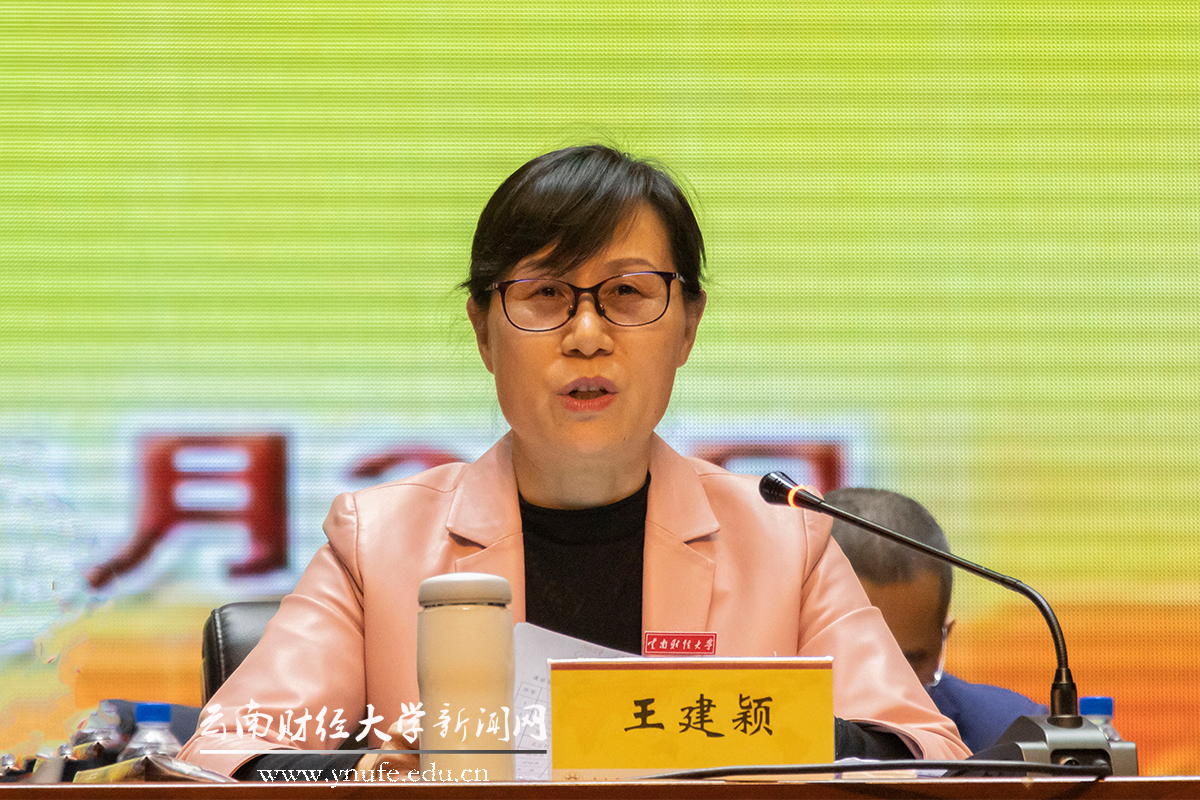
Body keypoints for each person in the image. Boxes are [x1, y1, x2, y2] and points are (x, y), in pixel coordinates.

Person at [178, 145, 969, 780]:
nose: (587, 335)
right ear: (483, 331)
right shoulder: (377, 542)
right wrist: (377, 775)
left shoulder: (784, 542)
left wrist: (745, 733)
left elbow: (925, 754)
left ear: (688, 326)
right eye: (546, 294)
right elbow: (223, 757)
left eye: (628, 293)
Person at [825, 486, 1049, 753]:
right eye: (859, 659)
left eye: (909, 663)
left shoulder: (1014, 738)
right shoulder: (776, 734)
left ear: (944, 638)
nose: (883, 686)